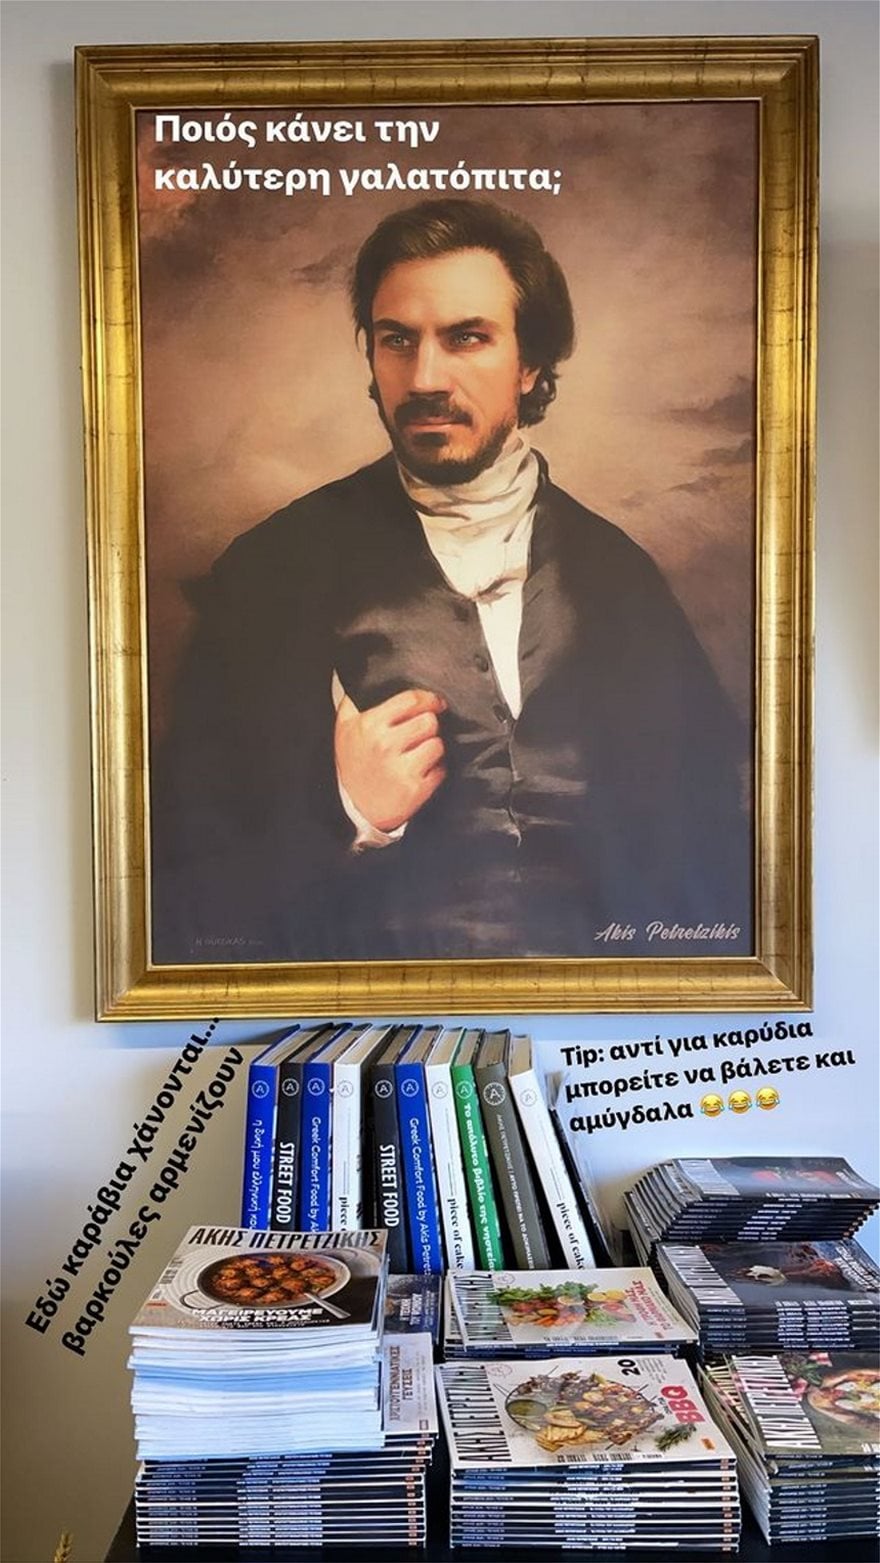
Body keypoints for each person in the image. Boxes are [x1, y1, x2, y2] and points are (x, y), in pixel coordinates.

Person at [152, 198, 751, 964]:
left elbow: (713, 859)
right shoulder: (270, 573)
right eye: (397, 340)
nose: (425, 377)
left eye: (466, 337)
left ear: (529, 363)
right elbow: (183, 899)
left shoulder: (621, 579)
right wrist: (350, 811)